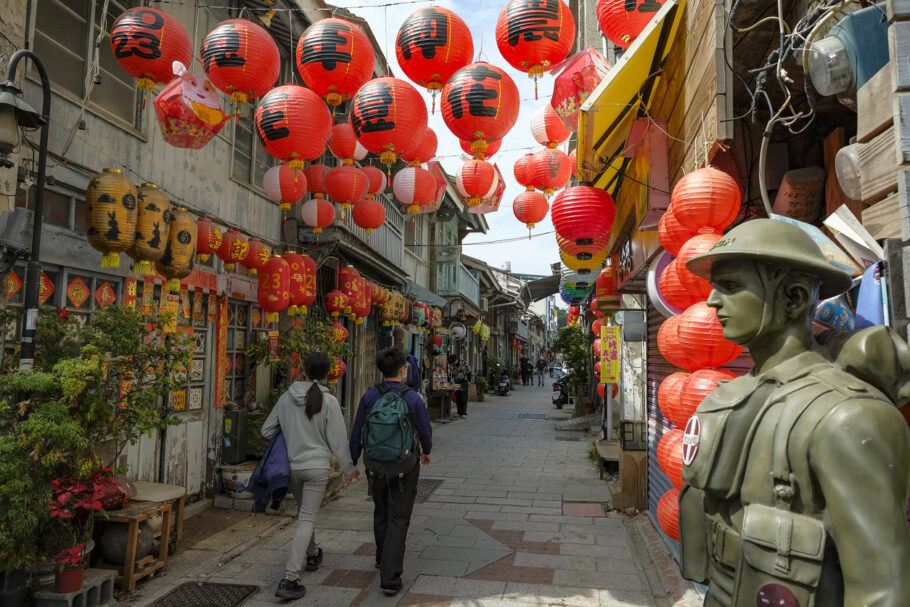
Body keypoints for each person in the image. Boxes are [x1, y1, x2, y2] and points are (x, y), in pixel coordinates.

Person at [678, 219, 910, 606]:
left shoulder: (848, 416)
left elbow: (881, 589)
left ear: (794, 298)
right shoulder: (732, 397)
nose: (712, 302)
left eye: (731, 287)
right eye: (714, 287)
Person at [262, 352, 359, 601]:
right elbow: (338, 441)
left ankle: (313, 553)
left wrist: (292, 433)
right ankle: (290, 578)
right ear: (328, 373)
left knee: (305, 513)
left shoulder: (286, 398)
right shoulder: (328, 401)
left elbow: (266, 430)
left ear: (302, 370)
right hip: (317, 468)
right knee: (307, 517)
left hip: (292, 467)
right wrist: (349, 469)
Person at [350, 348, 433, 596]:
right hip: (404, 465)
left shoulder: (369, 396)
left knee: (381, 510)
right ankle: (391, 577)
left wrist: (353, 460)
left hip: (374, 464)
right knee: (399, 516)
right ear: (402, 370)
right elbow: (424, 429)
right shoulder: (412, 398)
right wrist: (426, 450)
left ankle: (380, 556)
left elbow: (357, 432)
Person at [448, 353, 471, 417]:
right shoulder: (453, 365)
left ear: (456, 359)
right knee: (458, 396)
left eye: (453, 362)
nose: (453, 363)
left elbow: (469, 372)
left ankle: (464, 413)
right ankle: (459, 412)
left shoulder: (464, 363)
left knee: (463, 396)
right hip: (456, 382)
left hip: (464, 381)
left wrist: (469, 381)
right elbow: (451, 374)